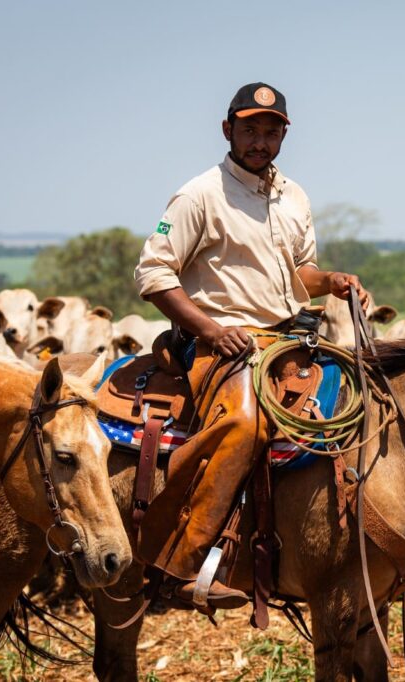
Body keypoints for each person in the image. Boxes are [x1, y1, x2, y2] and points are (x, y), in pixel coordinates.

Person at [133, 82, 370, 608]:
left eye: (270, 130)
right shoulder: (200, 194)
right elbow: (153, 273)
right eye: (249, 130)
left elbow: (297, 273)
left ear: (284, 134)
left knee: (366, 403)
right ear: (228, 131)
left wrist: (331, 281)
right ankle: (181, 562)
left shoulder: (294, 195)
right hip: (223, 345)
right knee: (246, 421)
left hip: (288, 341)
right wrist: (210, 330)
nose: (260, 141)